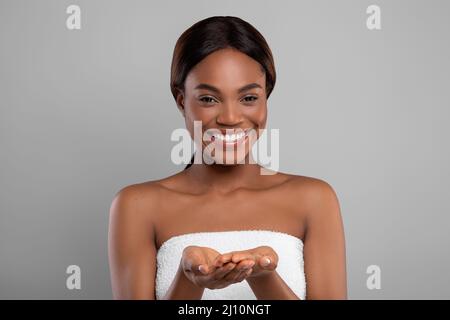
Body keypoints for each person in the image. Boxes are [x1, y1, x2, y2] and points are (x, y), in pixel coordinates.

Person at [108, 16, 347, 300]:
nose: (231, 118)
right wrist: (191, 280)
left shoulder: (314, 200)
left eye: (248, 98)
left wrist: (264, 278)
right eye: (209, 99)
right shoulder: (136, 206)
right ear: (182, 100)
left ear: (265, 99)